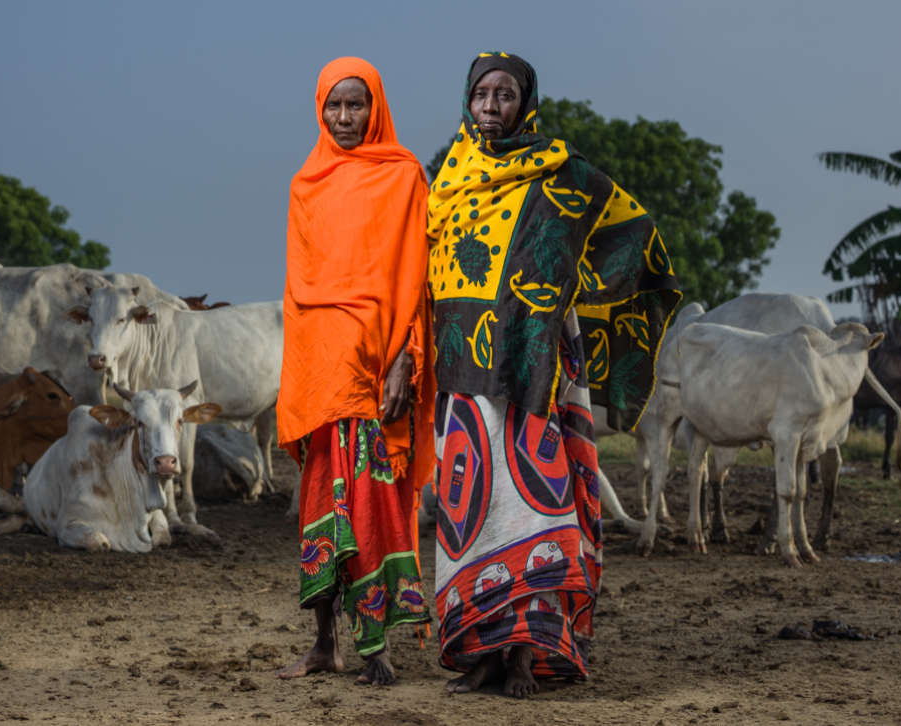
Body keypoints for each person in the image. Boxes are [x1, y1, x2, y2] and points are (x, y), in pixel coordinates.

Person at [428, 52, 681, 697]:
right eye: (481, 94)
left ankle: (524, 656)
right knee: (472, 514)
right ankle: (483, 655)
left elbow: (633, 235)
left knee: (531, 513)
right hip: (460, 380)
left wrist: (564, 296)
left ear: (526, 101)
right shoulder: (444, 178)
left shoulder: (562, 174)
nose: (490, 106)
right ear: (467, 100)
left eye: (504, 94)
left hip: (533, 372)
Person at [275, 57, 436, 686]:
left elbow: (415, 282)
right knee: (321, 508)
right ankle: (325, 645)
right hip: (322, 372)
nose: (344, 118)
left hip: (378, 372)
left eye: (356, 105)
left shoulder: (403, 177)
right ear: (319, 110)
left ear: (377, 108)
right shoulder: (304, 185)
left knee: (372, 506)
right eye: (333, 107)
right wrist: (304, 374)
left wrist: (405, 360)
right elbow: (299, 292)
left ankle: (377, 650)